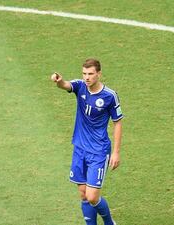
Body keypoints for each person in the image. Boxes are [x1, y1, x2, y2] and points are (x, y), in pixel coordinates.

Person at [50, 58, 123, 225]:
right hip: (80, 148)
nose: (87, 77)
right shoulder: (80, 86)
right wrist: (59, 81)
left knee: (92, 196)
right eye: (84, 73)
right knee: (83, 193)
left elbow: (117, 122)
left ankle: (109, 222)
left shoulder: (109, 96)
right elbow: (67, 85)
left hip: (98, 151)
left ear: (98, 74)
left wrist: (116, 152)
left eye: (90, 74)